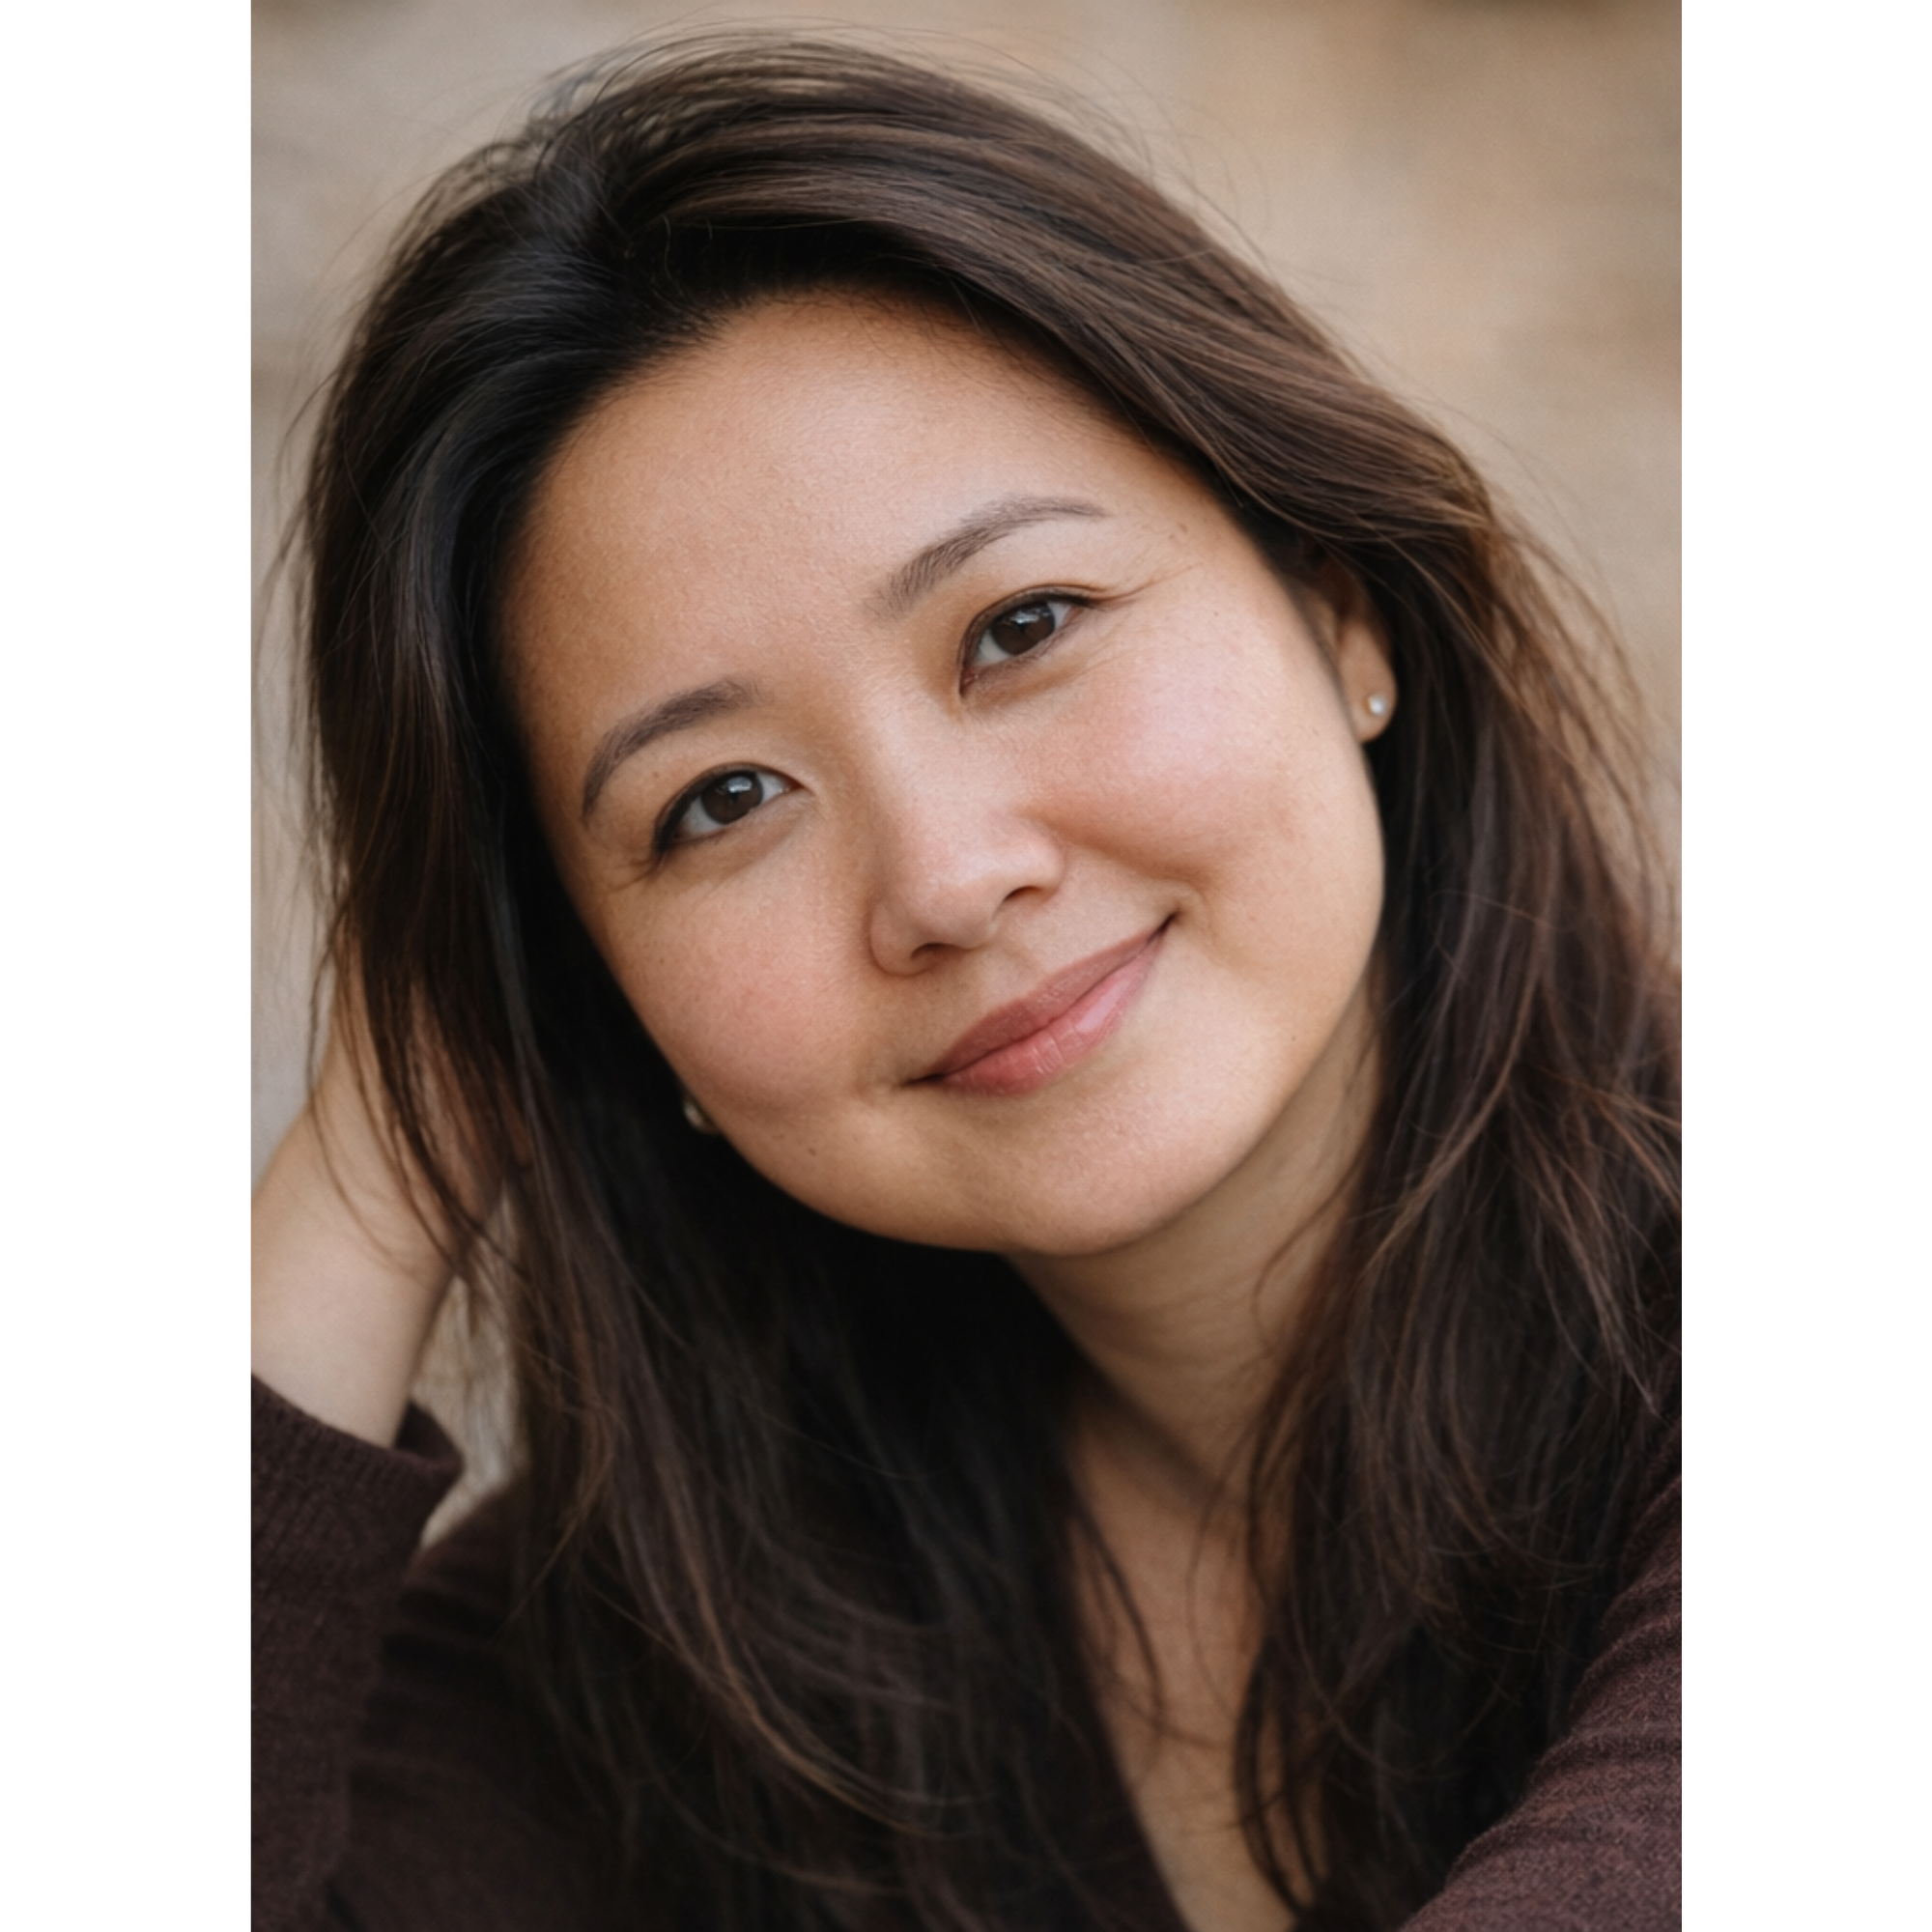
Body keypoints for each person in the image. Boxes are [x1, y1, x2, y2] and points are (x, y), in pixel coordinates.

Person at [250, 34, 1681, 1932]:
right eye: (721, 801)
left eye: (1021, 628)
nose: (941, 875)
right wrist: (371, 1179)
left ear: (1338, 604)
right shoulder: (696, 1635)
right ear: (597, 982)